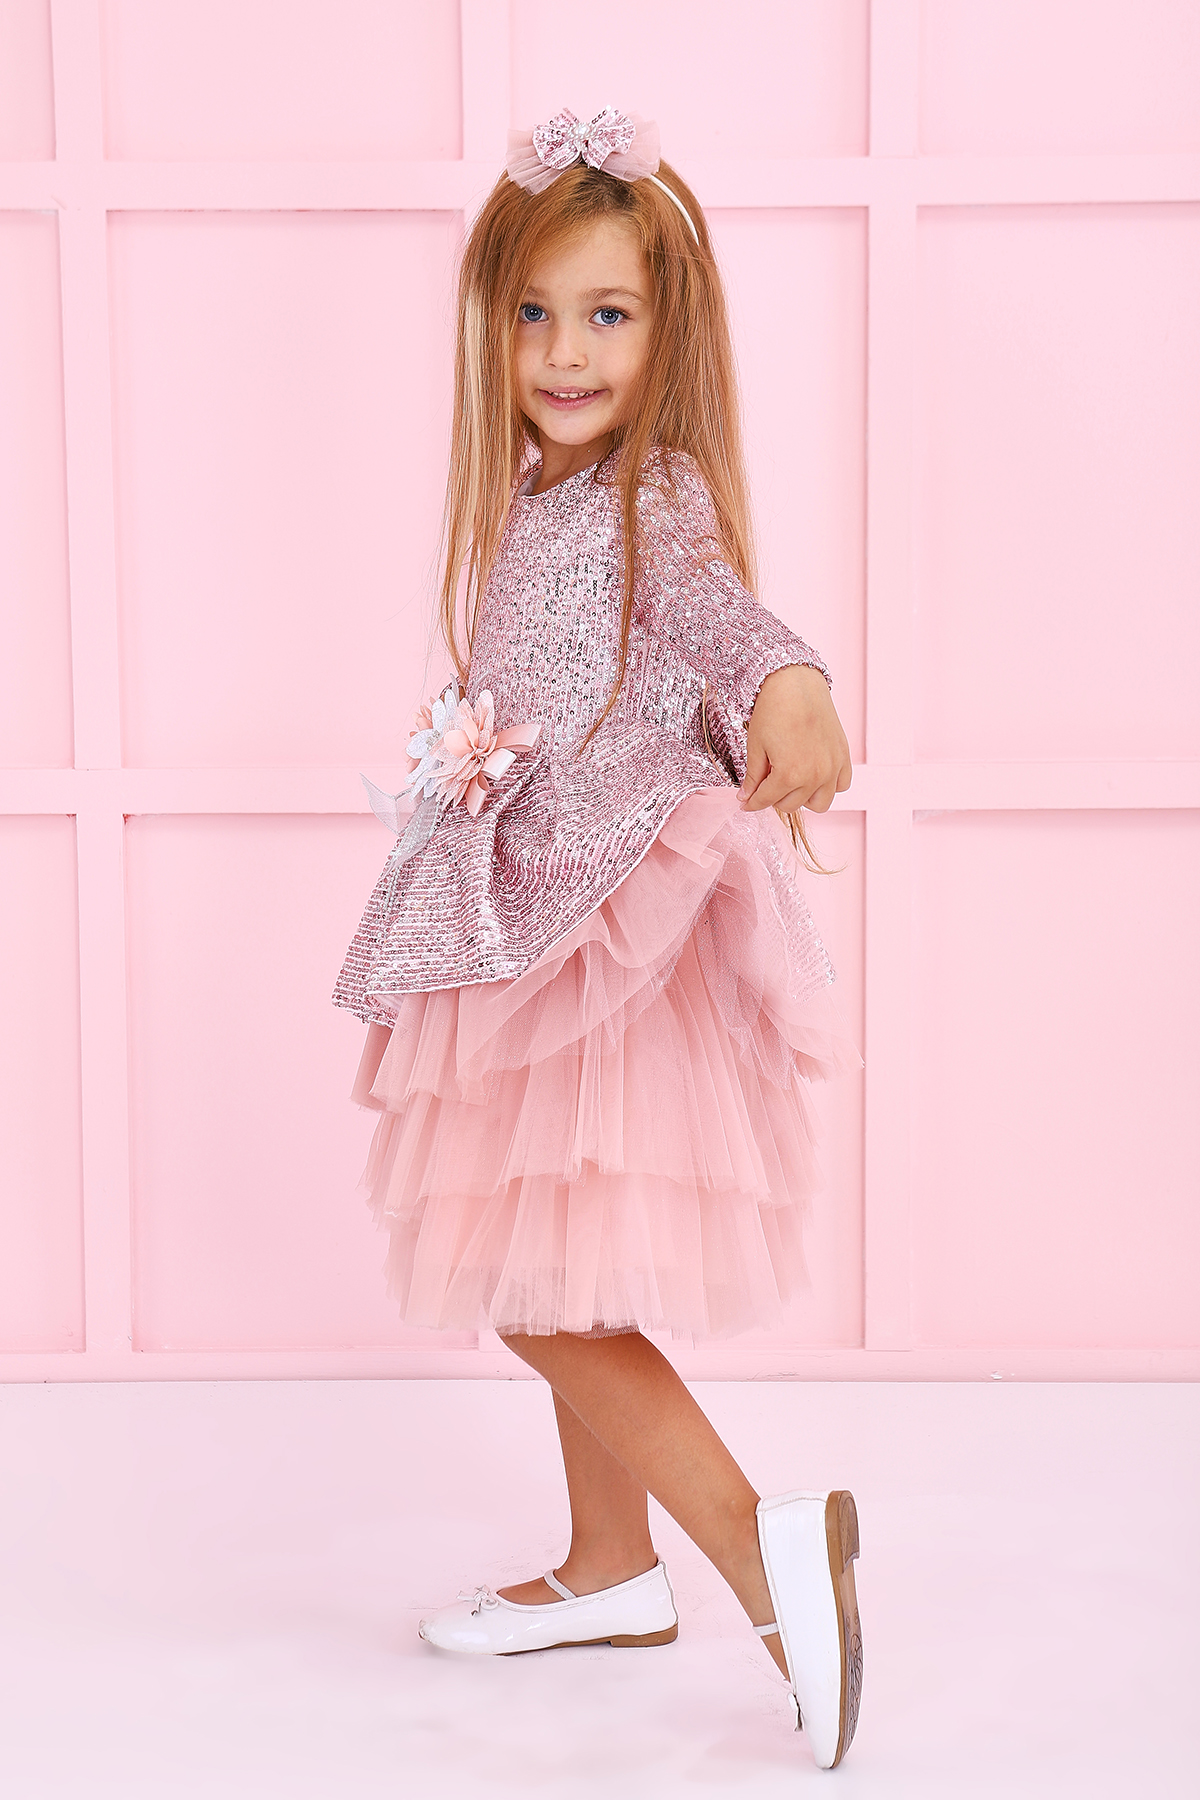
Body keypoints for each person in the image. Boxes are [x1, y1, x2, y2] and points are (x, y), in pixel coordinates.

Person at [333, 106, 863, 1770]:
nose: (566, 352)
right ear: (491, 323)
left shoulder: (655, 495)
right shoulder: (536, 492)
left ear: (665, 329)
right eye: (534, 312)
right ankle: (611, 1570)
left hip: (593, 947)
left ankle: (760, 1549)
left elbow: (715, 607)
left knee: (531, 1285)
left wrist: (789, 677)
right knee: (553, 1259)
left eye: (608, 313)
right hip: (537, 929)